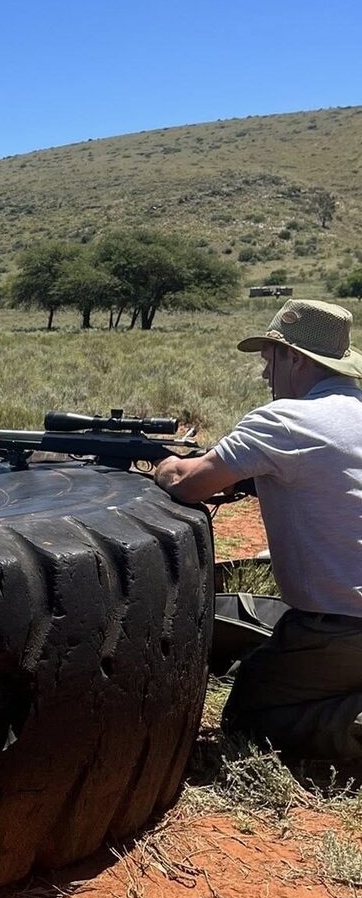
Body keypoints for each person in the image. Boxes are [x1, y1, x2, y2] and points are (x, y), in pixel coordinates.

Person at [153, 299, 362, 761]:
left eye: (270, 359)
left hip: (343, 628)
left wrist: (165, 466)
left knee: (251, 721)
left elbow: (190, 485)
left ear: (295, 358)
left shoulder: (285, 421)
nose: (266, 375)